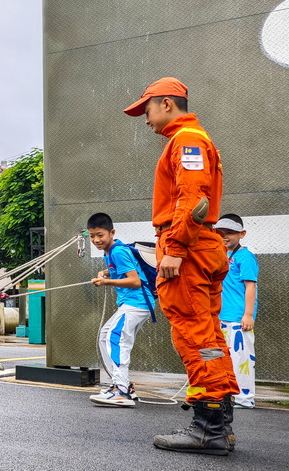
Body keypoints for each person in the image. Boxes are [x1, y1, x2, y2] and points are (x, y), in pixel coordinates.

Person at [124, 77, 239, 455]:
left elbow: (192, 197)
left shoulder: (186, 139)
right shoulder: (195, 139)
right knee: (208, 337)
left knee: (193, 335)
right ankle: (219, 420)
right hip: (202, 246)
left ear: (167, 104)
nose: (145, 118)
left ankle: (207, 429)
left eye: (147, 109)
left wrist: (173, 248)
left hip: (187, 249)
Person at [86, 212, 150, 407]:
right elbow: (125, 268)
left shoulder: (117, 251)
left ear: (111, 232)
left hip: (137, 302)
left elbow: (135, 281)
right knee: (105, 335)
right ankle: (121, 385)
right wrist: (106, 271)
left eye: (100, 235)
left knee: (116, 338)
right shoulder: (111, 251)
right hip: (131, 303)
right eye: (92, 236)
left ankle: (121, 390)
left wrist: (106, 281)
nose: (96, 240)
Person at [215, 214, 258, 409]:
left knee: (242, 359)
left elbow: (251, 287)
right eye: (220, 233)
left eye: (230, 233)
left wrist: (248, 315)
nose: (225, 236)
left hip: (239, 318)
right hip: (220, 316)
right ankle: (226, 394)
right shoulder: (220, 255)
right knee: (223, 357)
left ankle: (244, 398)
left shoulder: (245, 257)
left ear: (242, 234)